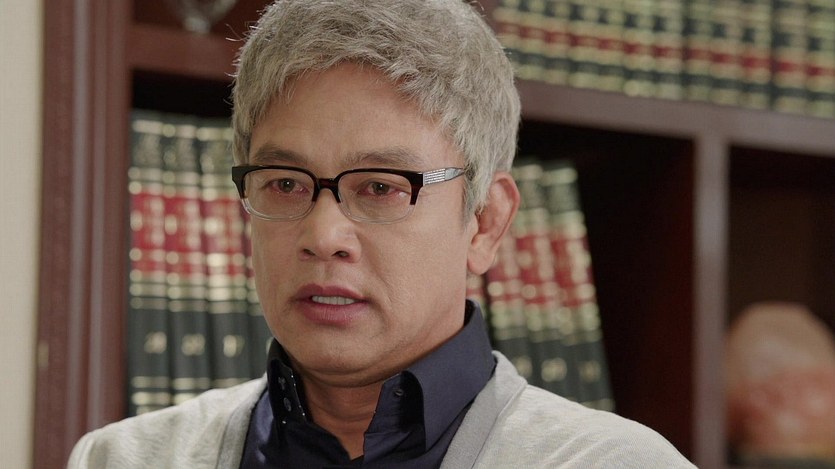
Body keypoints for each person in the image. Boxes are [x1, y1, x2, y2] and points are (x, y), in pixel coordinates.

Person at [69, 1, 695, 467]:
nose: (323, 235)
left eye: (380, 187)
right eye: (285, 183)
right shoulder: (125, 460)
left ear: (485, 221)